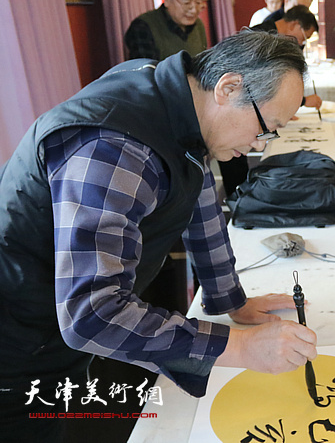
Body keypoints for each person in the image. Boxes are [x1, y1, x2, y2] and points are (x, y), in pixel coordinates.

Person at [0, 32, 318, 441]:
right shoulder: (115, 146)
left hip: (57, 323)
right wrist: (239, 348)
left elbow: (199, 200)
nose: (259, 145)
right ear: (229, 87)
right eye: (266, 127)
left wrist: (231, 301)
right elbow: (92, 312)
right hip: (19, 336)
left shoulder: (181, 102)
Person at [217, 7, 322, 197]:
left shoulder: (273, 36)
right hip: (234, 119)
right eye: (304, 36)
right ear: (294, 24)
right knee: (235, 163)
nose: (302, 43)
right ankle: (239, 203)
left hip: (243, 118)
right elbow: (259, 91)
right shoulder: (260, 38)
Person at [124, 0, 208, 60]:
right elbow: (145, 72)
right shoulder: (143, 26)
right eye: (187, 2)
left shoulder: (198, 25)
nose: (194, 10)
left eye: (198, 2)